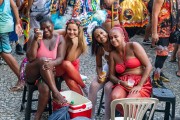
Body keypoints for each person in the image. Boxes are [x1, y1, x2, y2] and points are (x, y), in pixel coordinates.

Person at [25, 16, 68, 120]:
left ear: (53, 26)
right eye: (43, 28)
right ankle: (56, 93)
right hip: (32, 72)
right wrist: (35, 40)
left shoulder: (60, 38)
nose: (45, 30)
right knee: (43, 60)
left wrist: (51, 63)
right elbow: (30, 58)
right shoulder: (36, 38)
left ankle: (37, 117)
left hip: (46, 74)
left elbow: (60, 58)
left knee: (45, 88)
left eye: (48, 27)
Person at [109, 26, 152, 115]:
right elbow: (111, 76)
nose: (113, 40)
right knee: (115, 97)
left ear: (123, 36)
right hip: (124, 82)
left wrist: (140, 85)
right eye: (111, 38)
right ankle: (134, 116)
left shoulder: (133, 46)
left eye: (115, 36)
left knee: (129, 101)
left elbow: (148, 66)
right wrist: (120, 82)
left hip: (140, 81)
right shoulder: (112, 54)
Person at [55, 19, 88, 96]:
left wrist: (74, 45)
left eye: (74, 30)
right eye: (69, 29)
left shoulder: (81, 44)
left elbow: (69, 60)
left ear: (79, 31)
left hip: (71, 66)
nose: (71, 32)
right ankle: (83, 86)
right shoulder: (63, 33)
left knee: (71, 82)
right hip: (59, 65)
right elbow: (49, 33)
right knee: (65, 63)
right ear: (66, 29)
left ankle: (83, 103)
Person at [88, 26, 113, 120]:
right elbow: (99, 66)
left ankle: (107, 117)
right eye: (97, 36)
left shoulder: (114, 41)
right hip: (108, 67)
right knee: (93, 86)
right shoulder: (100, 49)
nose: (101, 36)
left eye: (102, 33)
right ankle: (90, 116)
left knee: (108, 87)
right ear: (96, 40)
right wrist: (100, 74)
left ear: (106, 32)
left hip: (118, 69)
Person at [151, 0, 178, 87]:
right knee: (162, 54)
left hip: (170, 29)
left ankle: (159, 72)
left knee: (165, 54)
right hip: (162, 29)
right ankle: (156, 79)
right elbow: (154, 14)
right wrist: (154, 32)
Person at [0, 0, 23, 91]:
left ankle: (22, 78)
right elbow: (14, 5)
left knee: (5, 53)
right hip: (5, 24)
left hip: (2, 27)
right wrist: (17, 22)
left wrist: (18, 22)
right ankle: (22, 78)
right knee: (3, 52)